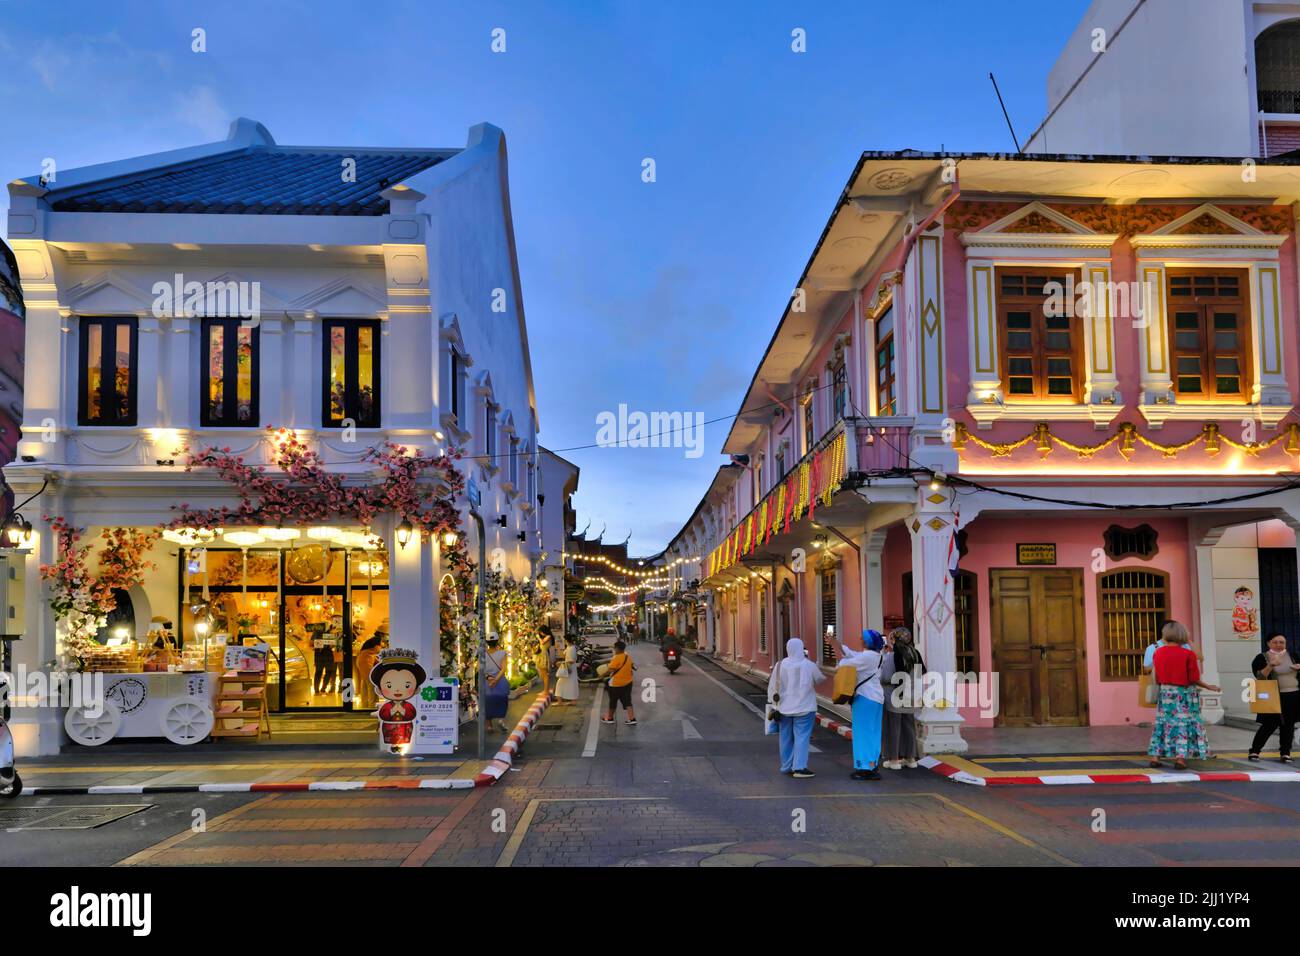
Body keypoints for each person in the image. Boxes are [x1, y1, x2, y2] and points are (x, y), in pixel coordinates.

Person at [1148, 621, 1220, 770]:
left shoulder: (1158, 652)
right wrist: (1209, 686)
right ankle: (1179, 759)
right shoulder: (1188, 654)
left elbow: (1156, 676)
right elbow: (1194, 678)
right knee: (1182, 725)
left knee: (1163, 723)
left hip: (1165, 694)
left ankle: (1155, 756)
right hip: (1184, 695)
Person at [767, 637, 823, 779]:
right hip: (805, 708)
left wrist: (774, 707)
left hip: (784, 709)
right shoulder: (808, 665)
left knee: (785, 737)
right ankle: (799, 767)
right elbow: (820, 679)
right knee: (802, 737)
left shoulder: (780, 665)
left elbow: (773, 686)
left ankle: (786, 765)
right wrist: (810, 660)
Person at [833, 629, 885, 780]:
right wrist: (836, 642)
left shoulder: (867, 657)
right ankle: (872, 764)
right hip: (875, 698)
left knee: (862, 733)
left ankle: (864, 769)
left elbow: (844, 665)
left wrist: (836, 648)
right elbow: (853, 654)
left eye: (862, 638)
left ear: (867, 642)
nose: (860, 639)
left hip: (865, 698)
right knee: (873, 733)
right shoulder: (876, 655)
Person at [1249, 634, 1300, 763]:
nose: (1279, 645)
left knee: (1288, 725)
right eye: (1275, 642)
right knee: (1269, 725)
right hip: (1273, 696)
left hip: (1293, 695)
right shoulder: (1262, 657)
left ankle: (1285, 753)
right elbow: (1260, 677)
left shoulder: (1293, 656)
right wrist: (1271, 665)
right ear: (1268, 643)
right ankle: (1255, 751)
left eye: (1282, 642)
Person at [880, 626, 923, 769]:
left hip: (895, 694)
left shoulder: (891, 657)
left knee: (894, 727)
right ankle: (910, 758)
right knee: (909, 726)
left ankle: (894, 759)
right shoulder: (915, 654)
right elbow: (920, 673)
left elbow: (884, 677)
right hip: (911, 693)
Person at [601, 640, 637, 725]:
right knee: (628, 700)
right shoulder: (628, 656)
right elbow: (633, 666)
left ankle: (609, 718)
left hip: (616, 684)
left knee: (613, 701)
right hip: (628, 682)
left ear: (617, 648)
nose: (614, 650)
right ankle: (632, 718)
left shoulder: (616, 658)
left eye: (614, 648)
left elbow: (610, 669)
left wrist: (602, 675)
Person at [483, 633, 511, 734]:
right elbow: (504, 669)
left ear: (487, 642)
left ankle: (489, 726)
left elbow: (480, 669)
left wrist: (489, 678)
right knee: (502, 700)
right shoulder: (502, 653)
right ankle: (500, 720)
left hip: (487, 682)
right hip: (500, 681)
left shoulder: (483, 654)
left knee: (487, 702)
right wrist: (496, 679)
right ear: (497, 641)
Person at [354, 636, 384, 709]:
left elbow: (374, 656)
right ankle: (372, 705)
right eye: (382, 642)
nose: (382, 643)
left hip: (362, 660)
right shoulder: (376, 643)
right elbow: (378, 651)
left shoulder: (369, 648)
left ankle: (365, 704)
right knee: (372, 682)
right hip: (365, 662)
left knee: (365, 682)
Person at [554, 636, 579, 705]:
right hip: (568, 668)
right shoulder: (569, 648)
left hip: (568, 668)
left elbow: (572, 660)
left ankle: (560, 702)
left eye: (564, 640)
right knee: (570, 684)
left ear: (567, 641)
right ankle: (570, 701)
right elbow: (562, 656)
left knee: (561, 683)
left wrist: (562, 663)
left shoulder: (572, 648)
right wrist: (558, 648)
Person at [535, 626, 557, 696]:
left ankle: (546, 690)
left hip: (544, 655)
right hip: (541, 654)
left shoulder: (549, 636)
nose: (541, 633)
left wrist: (538, 637)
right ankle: (545, 690)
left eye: (541, 632)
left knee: (545, 674)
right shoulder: (546, 636)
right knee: (543, 674)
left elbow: (542, 642)